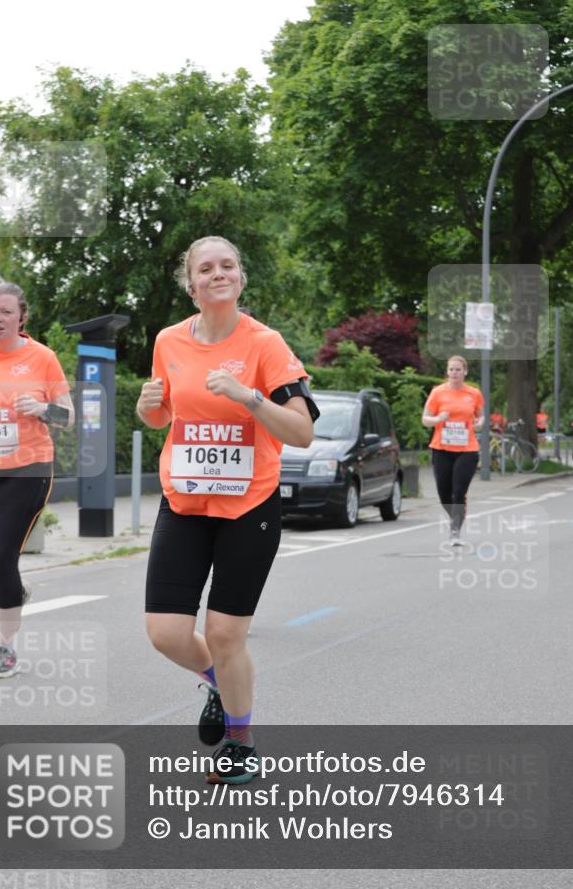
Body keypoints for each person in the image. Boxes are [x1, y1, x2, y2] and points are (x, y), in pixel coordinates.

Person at [136, 236, 319, 784]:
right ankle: (220, 682)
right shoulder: (169, 340)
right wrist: (148, 409)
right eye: (206, 268)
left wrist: (249, 397)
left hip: (249, 506)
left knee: (224, 632)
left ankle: (241, 743)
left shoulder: (265, 343)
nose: (219, 274)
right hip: (185, 501)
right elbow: (163, 415)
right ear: (191, 286)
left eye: (229, 265)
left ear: (241, 278)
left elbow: (304, 433)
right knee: (166, 632)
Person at [0, 283, 74, 678]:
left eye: (6, 312)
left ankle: (5, 648)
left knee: (0, 557)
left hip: (27, 469)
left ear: (22, 318)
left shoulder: (42, 358)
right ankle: (12, 592)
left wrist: (42, 407)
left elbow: (69, 418)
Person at [422, 356, 484, 546]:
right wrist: (438, 418)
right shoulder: (437, 393)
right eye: (451, 370)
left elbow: (481, 417)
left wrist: (478, 424)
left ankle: (455, 530)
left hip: (467, 449)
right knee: (443, 493)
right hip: (441, 448)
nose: (454, 373)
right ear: (447, 372)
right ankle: (456, 517)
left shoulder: (474, 393)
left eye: (458, 370)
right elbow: (425, 419)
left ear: (465, 372)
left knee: (458, 491)